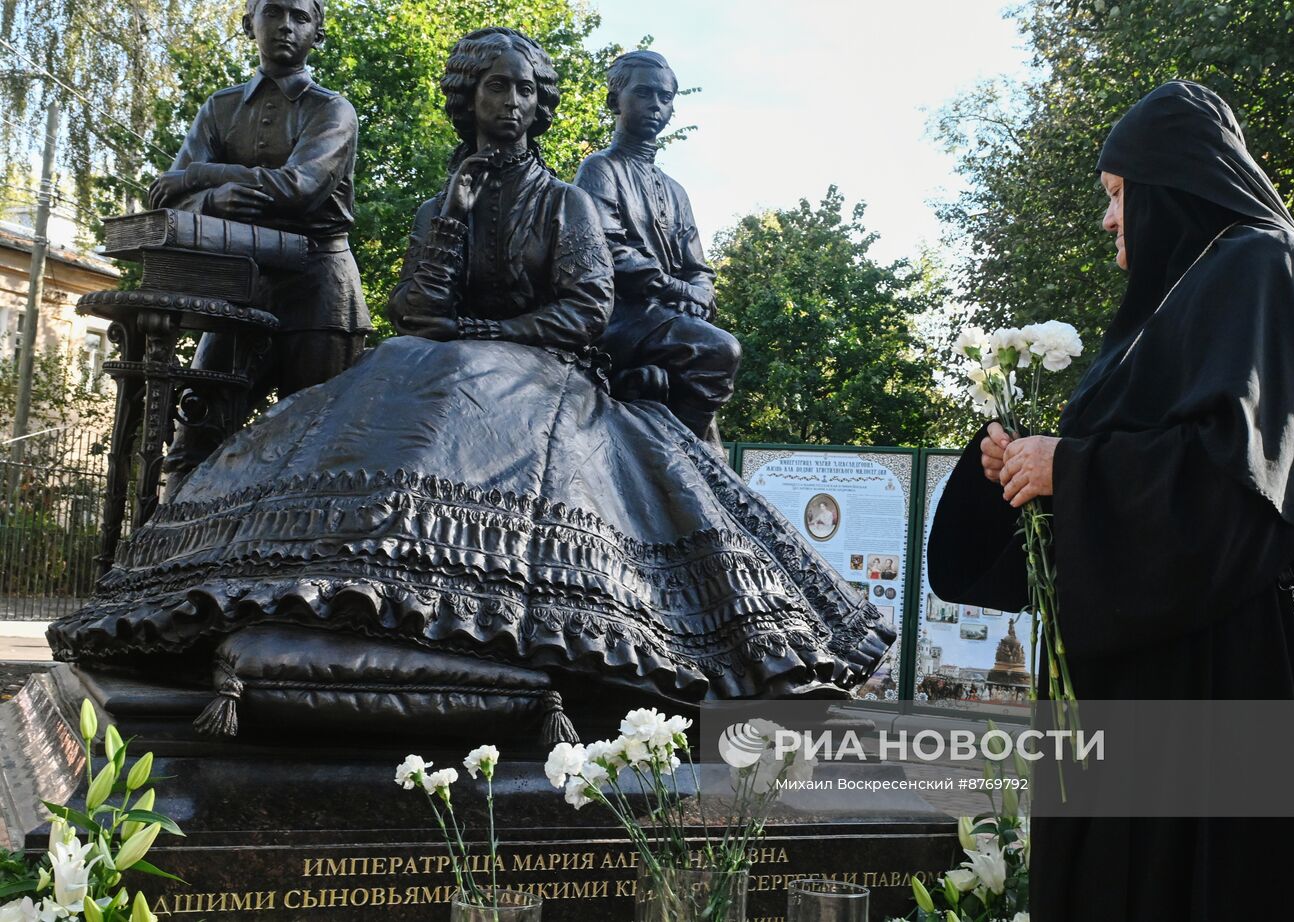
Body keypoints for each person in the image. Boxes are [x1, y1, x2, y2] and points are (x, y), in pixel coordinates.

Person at [51, 28, 893, 707]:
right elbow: (418, 310)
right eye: (498, 86)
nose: (514, 102)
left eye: (527, 89)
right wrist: (452, 218)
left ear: (542, 105)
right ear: (470, 98)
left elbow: (585, 310)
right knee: (397, 377)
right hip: (441, 356)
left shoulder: (567, 202)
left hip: (540, 372)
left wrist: (486, 327)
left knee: (459, 384)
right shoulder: (437, 204)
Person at [927, 81, 1294, 921]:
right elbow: (1169, 454)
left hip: (1233, 701)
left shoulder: (1264, 268)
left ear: (1171, 187)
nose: (1110, 220)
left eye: (1117, 196)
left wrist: (1073, 470)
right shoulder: (1201, 290)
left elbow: (1241, 491)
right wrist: (1023, 469)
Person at [149, 0, 371, 484]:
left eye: (300, 16)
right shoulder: (220, 108)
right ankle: (161, 557)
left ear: (318, 33)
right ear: (249, 23)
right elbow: (167, 198)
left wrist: (206, 176)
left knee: (316, 451)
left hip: (318, 294)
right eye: (273, 12)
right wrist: (212, 203)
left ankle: (303, 560)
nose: (286, 26)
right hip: (239, 290)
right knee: (193, 440)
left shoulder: (332, 109)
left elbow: (300, 188)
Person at [573, 51, 741, 446]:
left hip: (665, 317)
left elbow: (697, 265)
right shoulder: (600, 169)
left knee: (706, 351)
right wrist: (677, 291)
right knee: (721, 350)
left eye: (666, 99)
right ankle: (683, 453)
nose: (656, 106)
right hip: (622, 318)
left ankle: (685, 449)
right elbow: (607, 249)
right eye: (645, 93)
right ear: (616, 101)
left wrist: (699, 293)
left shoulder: (675, 190)